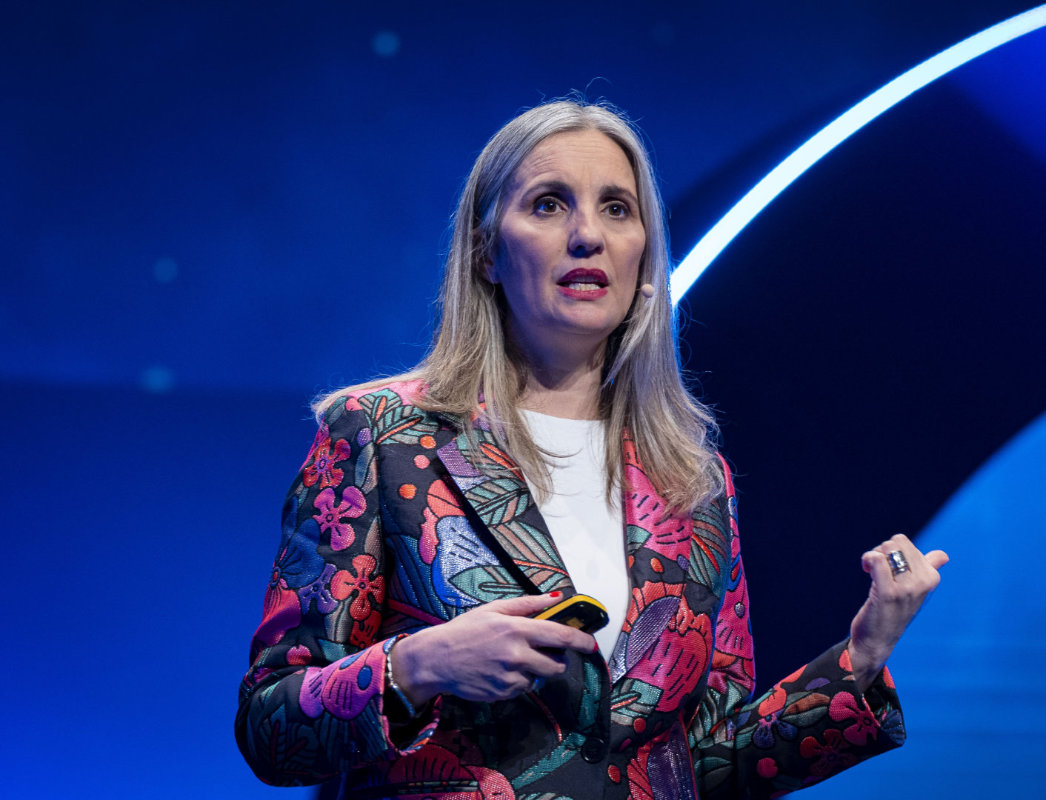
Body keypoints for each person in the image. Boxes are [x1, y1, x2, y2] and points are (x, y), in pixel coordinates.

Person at [235, 98, 948, 800]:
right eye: (548, 205)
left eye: (616, 208)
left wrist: (861, 658)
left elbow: (705, 764)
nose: (587, 235)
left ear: (644, 257)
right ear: (486, 252)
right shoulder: (383, 433)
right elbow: (272, 728)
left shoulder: (692, 481)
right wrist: (418, 667)